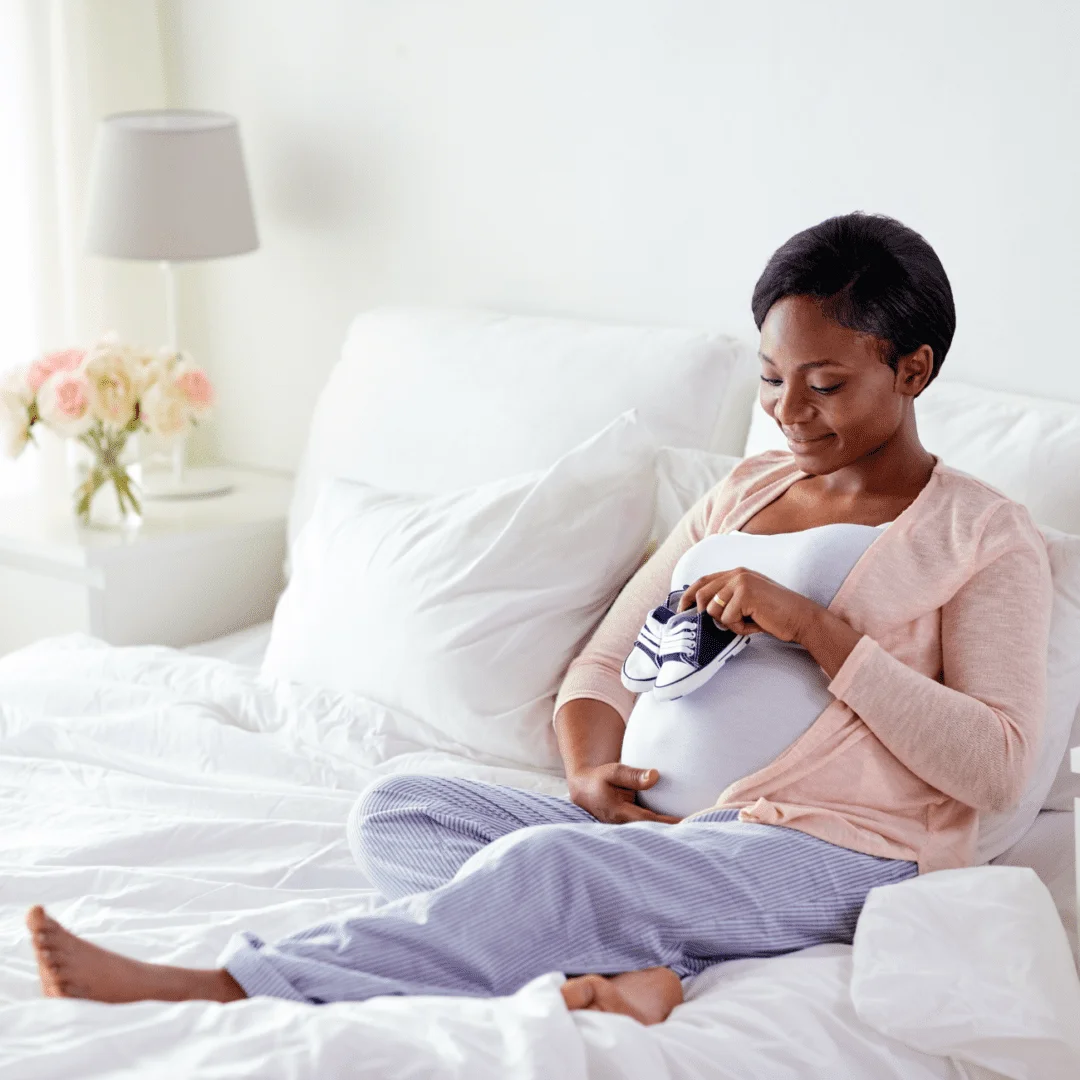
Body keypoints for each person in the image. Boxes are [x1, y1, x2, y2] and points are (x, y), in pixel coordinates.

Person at [27, 212, 1052, 1026]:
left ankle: (237, 987)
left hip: (839, 850)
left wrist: (820, 632)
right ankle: (641, 964)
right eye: (774, 380)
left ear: (912, 371)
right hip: (660, 832)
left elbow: (998, 767)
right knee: (402, 809)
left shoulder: (983, 535)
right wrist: (587, 773)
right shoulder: (740, 490)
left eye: (826, 385)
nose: (790, 412)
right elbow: (606, 658)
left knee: (547, 867)